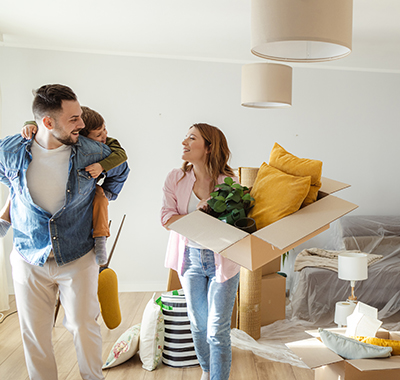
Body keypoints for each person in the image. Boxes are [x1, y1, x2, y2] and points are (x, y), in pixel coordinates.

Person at [0, 84, 130, 380]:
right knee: (34, 333)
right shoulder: (10, 150)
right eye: (73, 119)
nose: (82, 125)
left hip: (78, 254)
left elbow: (121, 167)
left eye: (80, 116)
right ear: (47, 122)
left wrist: (105, 195)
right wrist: (14, 192)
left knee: (84, 326)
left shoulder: (90, 152)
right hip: (28, 256)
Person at [161, 123, 240, 380]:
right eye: (185, 136)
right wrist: (198, 214)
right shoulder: (176, 178)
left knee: (217, 330)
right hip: (189, 259)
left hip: (223, 262)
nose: (184, 142)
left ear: (208, 148)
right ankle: (207, 371)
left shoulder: (230, 181)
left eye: (191, 138)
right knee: (198, 325)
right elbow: (166, 219)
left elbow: (235, 226)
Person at [18, 106, 128, 265]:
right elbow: (48, 124)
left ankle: (100, 239)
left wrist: (102, 166)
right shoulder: (69, 144)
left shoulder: (108, 144)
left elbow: (121, 156)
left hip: (94, 187)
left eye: (104, 129)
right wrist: (30, 125)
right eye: (98, 134)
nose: (105, 135)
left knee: (100, 197)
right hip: (71, 191)